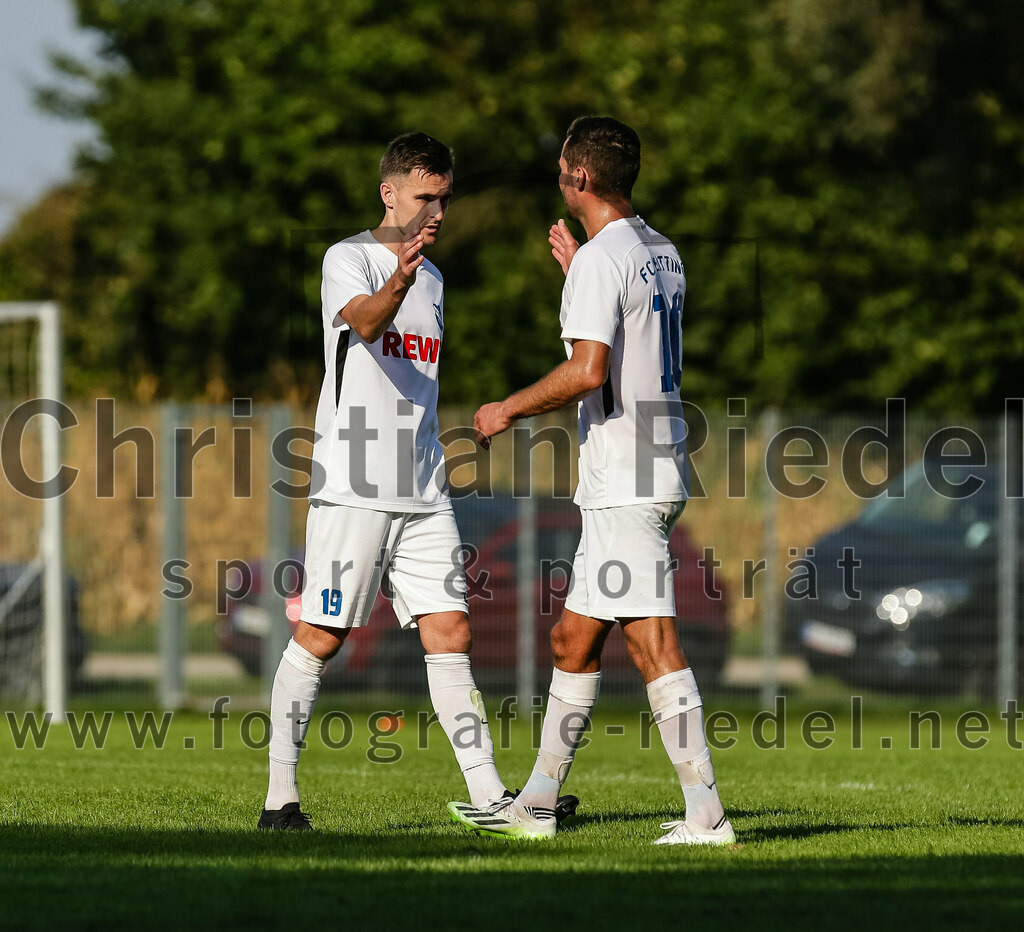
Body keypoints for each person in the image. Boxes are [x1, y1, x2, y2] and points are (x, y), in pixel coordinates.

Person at [259, 133, 576, 830]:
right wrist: (397, 275)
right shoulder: (349, 258)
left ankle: (492, 798)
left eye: (445, 198)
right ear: (390, 192)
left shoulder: (434, 279)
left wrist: (414, 274)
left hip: (425, 486)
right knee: (321, 636)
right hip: (354, 485)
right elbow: (367, 327)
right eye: (426, 196)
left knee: (450, 630)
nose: (437, 210)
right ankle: (280, 799)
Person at [447, 117, 734, 845]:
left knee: (653, 645)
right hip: (647, 468)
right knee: (574, 639)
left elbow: (588, 371)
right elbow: (631, 322)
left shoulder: (605, 261)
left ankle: (707, 814)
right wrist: (581, 270)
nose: (559, 177)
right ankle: (537, 803)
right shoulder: (658, 251)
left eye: (562, 168)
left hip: (628, 476)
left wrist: (504, 409)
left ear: (579, 178)